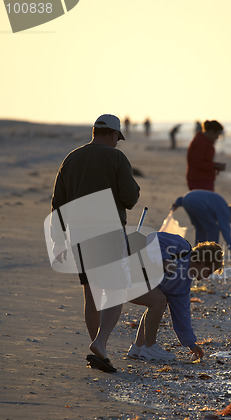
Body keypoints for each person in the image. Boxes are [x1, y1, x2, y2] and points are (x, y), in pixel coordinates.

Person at [51, 114, 140, 373]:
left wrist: (58, 240)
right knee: (116, 291)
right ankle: (100, 342)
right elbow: (130, 197)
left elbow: (58, 202)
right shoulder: (116, 158)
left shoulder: (72, 158)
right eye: (117, 138)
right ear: (113, 135)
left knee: (92, 295)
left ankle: (100, 350)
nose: (116, 143)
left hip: (78, 234)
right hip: (108, 231)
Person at [127, 232, 224, 362]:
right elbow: (152, 238)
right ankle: (149, 348)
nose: (207, 276)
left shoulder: (183, 286)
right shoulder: (182, 247)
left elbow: (182, 314)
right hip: (125, 271)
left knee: (158, 301)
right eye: (209, 271)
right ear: (203, 261)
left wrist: (192, 344)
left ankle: (138, 347)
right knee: (159, 300)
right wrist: (165, 260)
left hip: (132, 285)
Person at [171, 190, 231, 262]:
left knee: (200, 228)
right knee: (214, 229)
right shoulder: (225, 210)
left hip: (186, 200)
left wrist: (177, 203)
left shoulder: (221, 205)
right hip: (196, 203)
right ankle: (211, 255)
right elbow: (226, 231)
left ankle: (197, 253)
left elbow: (190, 197)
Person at [186, 120, 226, 191]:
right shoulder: (200, 142)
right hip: (199, 180)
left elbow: (204, 161)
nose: (217, 138)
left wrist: (216, 165)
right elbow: (196, 163)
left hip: (204, 179)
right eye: (217, 135)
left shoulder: (206, 141)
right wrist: (214, 166)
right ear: (211, 132)